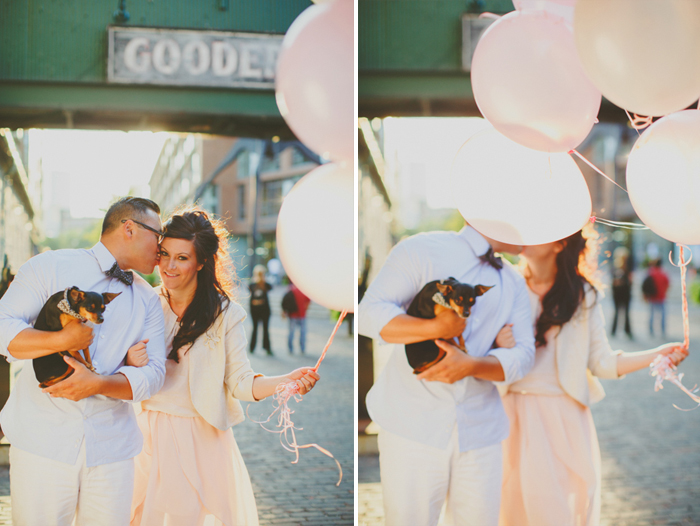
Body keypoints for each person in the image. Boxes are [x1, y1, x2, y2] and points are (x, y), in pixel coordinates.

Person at [127, 208, 320, 526]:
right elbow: (115, 366)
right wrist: (130, 362)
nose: (169, 267)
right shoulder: (144, 302)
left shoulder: (225, 314)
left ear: (201, 263)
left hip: (201, 437)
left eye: (182, 258)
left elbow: (241, 382)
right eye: (164, 255)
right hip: (145, 433)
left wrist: (287, 379)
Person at [494, 227, 686, 526]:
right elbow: (475, 348)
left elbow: (602, 361)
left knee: (556, 513)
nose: (525, 234)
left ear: (559, 243)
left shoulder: (583, 294)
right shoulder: (504, 286)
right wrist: (497, 345)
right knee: (508, 510)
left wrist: (655, 354)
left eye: (537, 230)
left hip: (562, 416)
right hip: (507, 414)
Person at [0, 196, 167, 526]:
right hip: (40, 443)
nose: (161, 247)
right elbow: (2, 327)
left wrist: (100, 383)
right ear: (129, 228)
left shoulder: (148, 299)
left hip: (113, 451)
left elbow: (156, 374)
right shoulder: (48, 267)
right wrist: (61, 340)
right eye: (157, 236)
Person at [358, 224, 536, 526]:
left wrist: (472, 365)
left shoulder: (514, 282)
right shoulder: (421, 249)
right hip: (410, 426)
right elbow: (367, 315)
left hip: (482, 433)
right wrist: (437, 329)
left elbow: (524, 355)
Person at [249, 264, 273, 354]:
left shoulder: (266, 285)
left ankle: (267, 347)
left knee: (265, 329)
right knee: (255, 328)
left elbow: (270, 287)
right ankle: (252, 347)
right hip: (255, 311)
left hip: (265, 311)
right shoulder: (252, 285)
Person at [610, 246, 633, 338]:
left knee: (624, 312)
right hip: (620, 292)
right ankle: (616, 330)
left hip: (623, 292)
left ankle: (625, 330)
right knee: (618, 312)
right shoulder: (617, 268)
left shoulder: (626, 268)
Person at [283, 281, 311, 354]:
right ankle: (302, 348)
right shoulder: (304, 290)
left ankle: (290, 349)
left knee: (291, 332)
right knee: (302, 333)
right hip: (301, 315)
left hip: (293, 315)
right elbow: (308, 302)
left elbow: (285, 301)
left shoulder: (290, 289)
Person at [646, 258, 670, 337]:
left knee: (651, 315)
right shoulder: (663, 273)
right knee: (662, 315)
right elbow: (667, 284)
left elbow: (646, 284)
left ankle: (651, 330)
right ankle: (663, 331)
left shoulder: (650, 273)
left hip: (652, 297)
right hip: (661, 297)